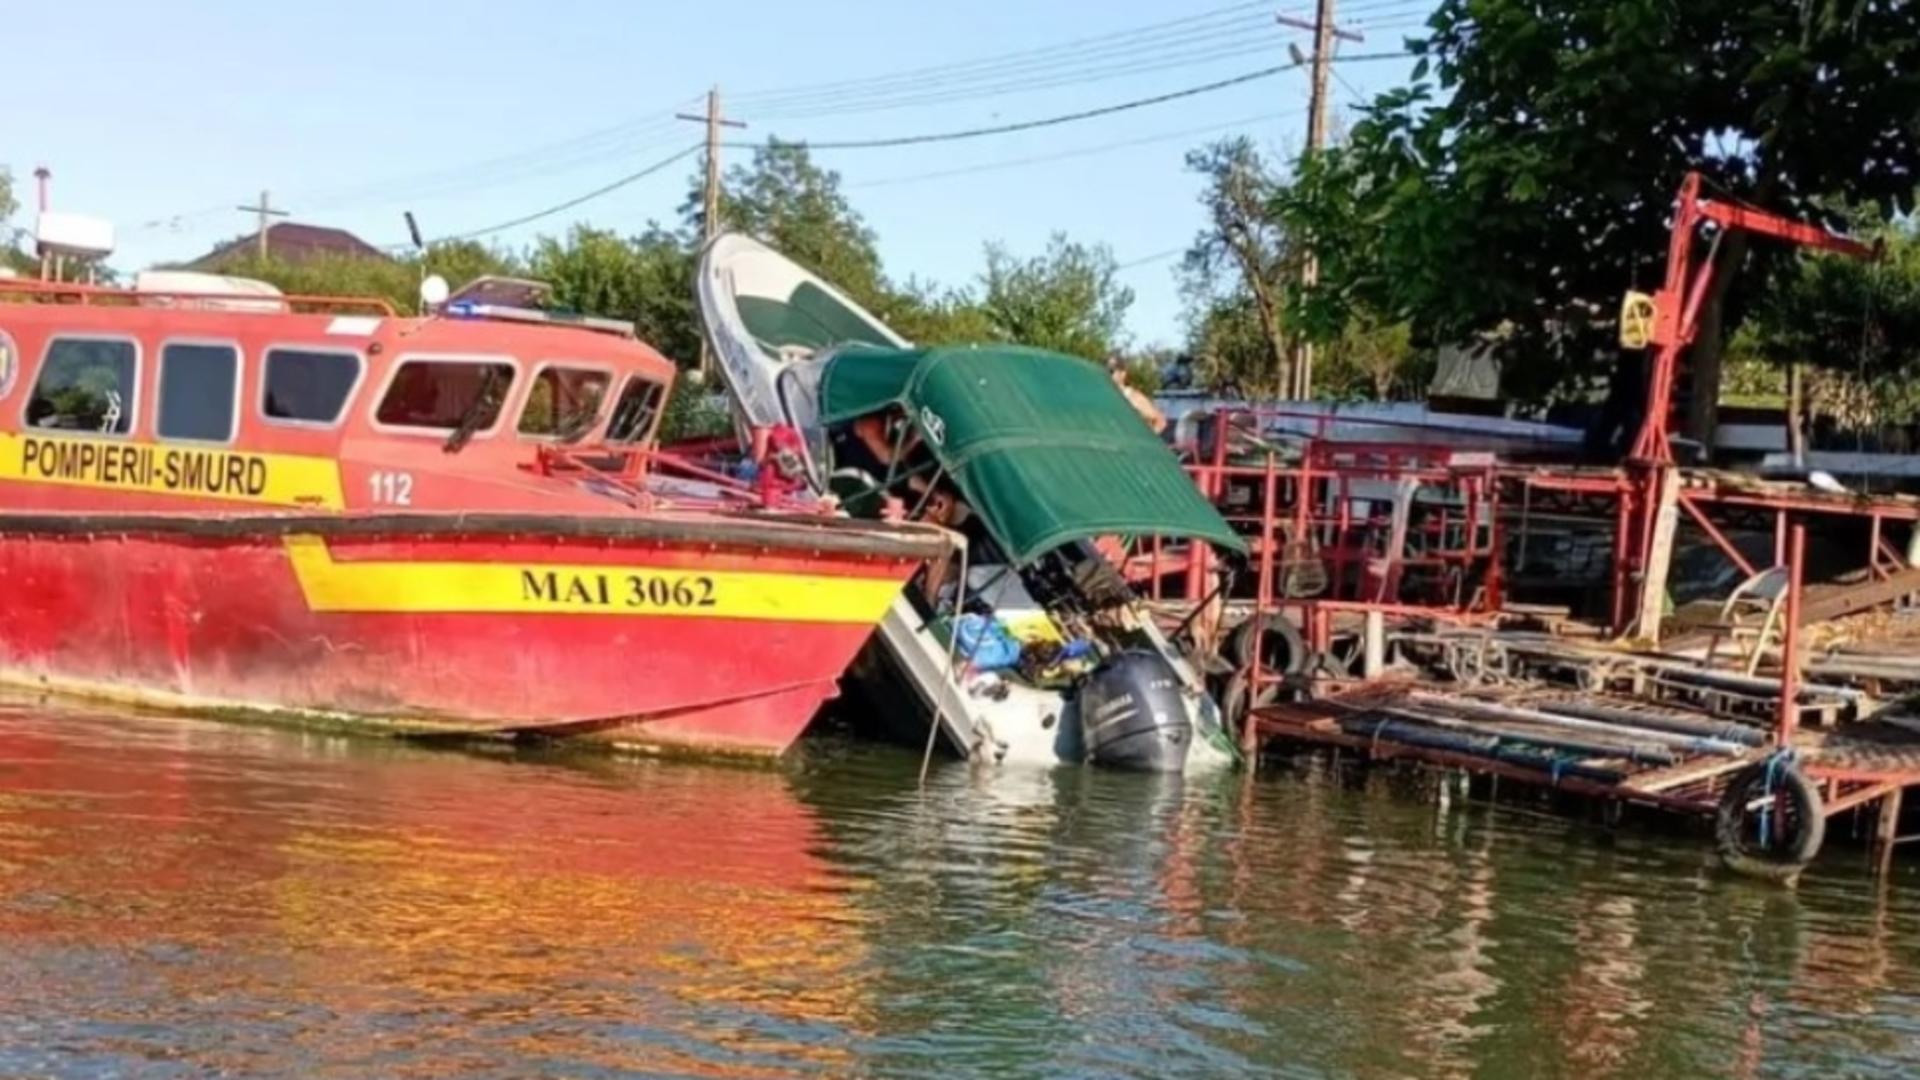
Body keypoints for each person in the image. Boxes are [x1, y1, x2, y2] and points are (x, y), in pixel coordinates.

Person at [1107, 356, 1167, 434]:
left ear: (1123, 374)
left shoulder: (1133, 398)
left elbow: (1160, 421)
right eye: (1106, 371)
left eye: (1111, 371)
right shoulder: (1106, 397)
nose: (1107, 374)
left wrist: (1146, 440)